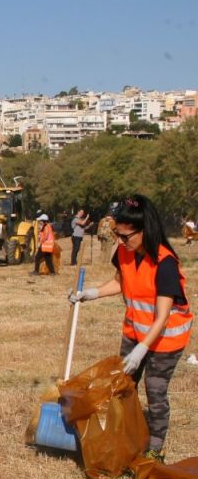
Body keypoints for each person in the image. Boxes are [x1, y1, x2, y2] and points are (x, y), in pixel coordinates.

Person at [69, 195, 192, 462]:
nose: (121, 242)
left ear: (144, 231)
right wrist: (91, 293)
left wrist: (142, 350)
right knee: (124, 386)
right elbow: (121, 282)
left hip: (165, 340)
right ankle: (127, 435)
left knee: (155, 390)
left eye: (126, 236)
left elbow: (162, 316)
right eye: (118, 235)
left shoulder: (165, 263)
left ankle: (155, 448)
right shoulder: (125, 252)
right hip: (135, 332)